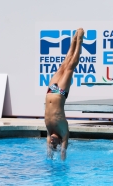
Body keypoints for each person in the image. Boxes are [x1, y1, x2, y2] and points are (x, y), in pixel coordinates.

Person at [45, 28, 84, 160]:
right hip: (60, 93)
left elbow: (48, 153)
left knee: (63, 65)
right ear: (59, 143)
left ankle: (73, 41)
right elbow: (63, 152)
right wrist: (62, 161)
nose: (51, 142)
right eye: (53, 144)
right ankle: (79, 41)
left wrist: (49, 157)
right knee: (70, 67)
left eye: (50, 143)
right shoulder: (64, 132)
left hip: (50, 91)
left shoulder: (49, 132)